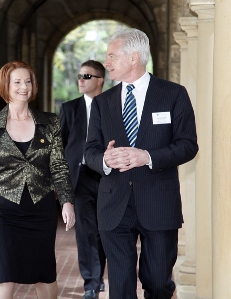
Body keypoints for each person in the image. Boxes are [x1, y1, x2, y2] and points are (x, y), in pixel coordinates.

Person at [84, 28, 198, 299]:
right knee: (121, 288)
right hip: (114, 206)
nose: (107, 62)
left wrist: (147, 157)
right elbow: (90, 151)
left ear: (134, 57)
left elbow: (188, 145)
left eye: (112, 56)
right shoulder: (102, 103)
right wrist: (105, 160)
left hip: (159, 204)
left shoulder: (174, 94)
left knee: (158, 283)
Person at [0, 61, 75, 299]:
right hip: (1, 210)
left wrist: (67, 201)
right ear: (5, 86)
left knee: (43, 273)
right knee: (3, 272)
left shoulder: (50, 123)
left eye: (27, 81)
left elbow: (58, 165)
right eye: (17, 82)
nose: (23, 87)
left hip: (41, 208)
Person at [59, 60, 106, 299]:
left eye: (87, 76)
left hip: (108, 177)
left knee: (105, 230)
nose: (81, 79)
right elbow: (60, 147)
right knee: (86, 231)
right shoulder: (69, 109)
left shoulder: (112, 106)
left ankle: (100, 274)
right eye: (79, 75)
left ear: (100, 80)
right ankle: (92, 282)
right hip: (80, 178)